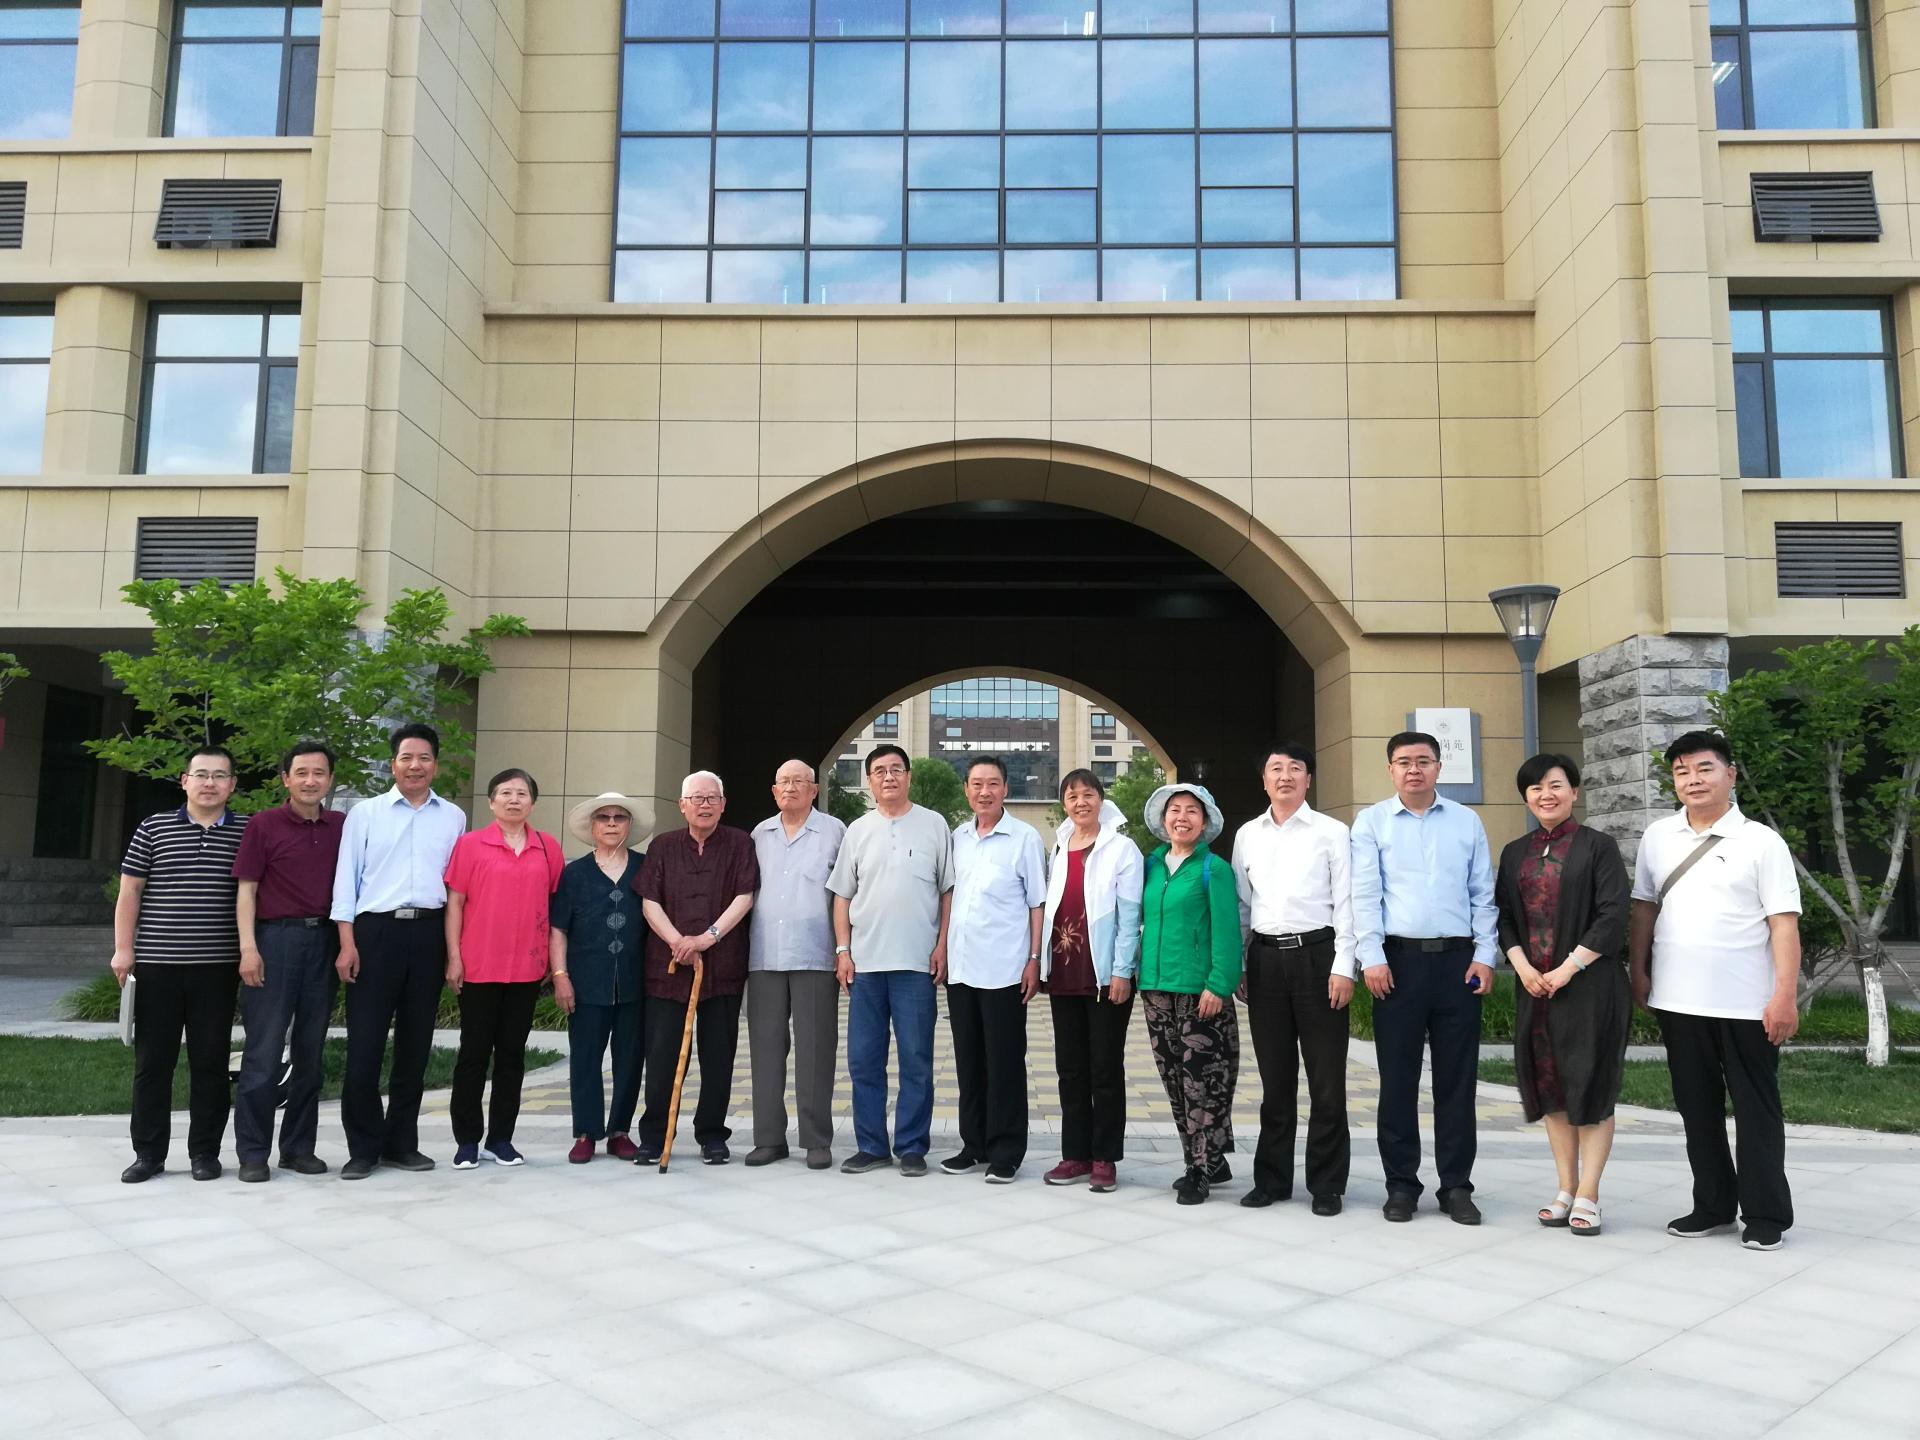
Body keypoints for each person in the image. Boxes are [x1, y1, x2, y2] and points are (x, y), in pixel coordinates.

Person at [1631, 730, 1802, 1251]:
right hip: (1678, 1000)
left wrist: (1784, 996)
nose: (1693, 780)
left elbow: (1783, 923)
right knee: (1696, 1108)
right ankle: (1712, 1205)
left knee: (1756, 1110)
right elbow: (1644, 907)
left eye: (1704, 768)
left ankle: (1766, 1214)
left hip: (1748, 1003)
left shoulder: (1761, 842)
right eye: (1681, 771)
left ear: (1730, 774)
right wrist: (1637, 969)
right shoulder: (1658, 836)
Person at [1351, 730, 1499, 1225]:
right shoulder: (1372, 822)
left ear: (1438, 766)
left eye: (1423, 761)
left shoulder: (1466, 821)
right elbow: (1365, 894)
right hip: (1397, 965)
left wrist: (1485, 955)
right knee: (1398, 1081)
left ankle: (1456, 1186)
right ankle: (1401, 1185)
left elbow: (1482, 893)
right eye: (1403, 762)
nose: (1413, 769)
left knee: (1457, 1082)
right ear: (1390, 769)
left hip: (1458, 964)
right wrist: (1372, 957)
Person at [1494, 753, 1631, 1236]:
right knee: (1551, 1086)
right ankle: (1565, 1188)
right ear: (1526, 798)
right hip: (1535, 987)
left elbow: (1613, 915)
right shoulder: (1515, 852)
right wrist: (1523, 967)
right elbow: (1503, 916)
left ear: (1574, 791)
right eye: (1535, 788)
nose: (1545, 795)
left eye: (1555, 785)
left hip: (1589, 985)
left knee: (1590, 1084)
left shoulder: (1598, 846)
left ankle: (1589, 1194)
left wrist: (1568, 968)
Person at [330, 722, 468, 1180]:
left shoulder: (453, 817)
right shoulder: (365, 814)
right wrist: (347, 943)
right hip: (375, 934)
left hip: (428, 934)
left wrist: (453, 952)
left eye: (424, 758)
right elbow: (345, 882)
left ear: (436, 766)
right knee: (365, 1045)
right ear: (393, 765)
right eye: (407, 757)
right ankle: (363, 1148)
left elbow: (456, 889)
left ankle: (401, 1143)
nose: (415, 765)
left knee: (415, 1045)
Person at [112, 746, 250, 1184]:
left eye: (220, 775)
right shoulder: (154, 828)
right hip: (158, 965)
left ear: (232, 784)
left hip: (218, 966)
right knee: (154, 1063)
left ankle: (205, 1153)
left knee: (210, 1063)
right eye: (201, 774)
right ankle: (148, 1154)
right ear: (185, 781)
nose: (210, 783)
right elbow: (130, 891)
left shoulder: (247, 831)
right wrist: (123, 949)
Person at [1231, 743, 1356, 1216]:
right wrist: (1242, 963)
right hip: (1265, 961)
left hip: (1319, 958)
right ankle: (1272, 1180)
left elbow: (1347, 902)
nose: (1285, 776)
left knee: (1327, 1080)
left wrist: (1344, 965)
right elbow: (1243, 905)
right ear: (1264, 780)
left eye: (1295, 769)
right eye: (1276, 769)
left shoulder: (1332, 832)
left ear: (1309, 779)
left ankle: (1327, 1184)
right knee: (1275, 1079)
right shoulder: (1248, 835)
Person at [828, 744, 954, 1177]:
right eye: (879, 771)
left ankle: (913, 1146)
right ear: (869, 781)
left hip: (917, 965)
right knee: (864, 1060)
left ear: (909, 776)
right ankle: (871, 1146)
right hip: (865, 965)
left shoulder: (934, 824)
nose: (888, 777)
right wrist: (843, 951)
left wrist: (942, 945)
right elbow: (842, 896)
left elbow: (947, 891)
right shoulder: (858, 830)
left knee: (916, 1060)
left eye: (896, 769)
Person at [231, 740, 347, 1183]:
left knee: (310, 1054)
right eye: (301, 772)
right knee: (263, 1054)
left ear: (330, 779)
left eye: (319, 773)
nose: (310, 780)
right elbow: (247, 890)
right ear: (286, 779)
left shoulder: (342, 826)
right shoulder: (263, 825)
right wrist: (248, 948)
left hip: (323, 943)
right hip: (274, 941)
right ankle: (253, 1153)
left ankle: (298, 1149)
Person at [635, 771, 759, 1166]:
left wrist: (707, 938)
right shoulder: (663, 846)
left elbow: (745, 895)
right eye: (697, 798)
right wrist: (678, 941)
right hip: (668, 967)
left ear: (723, 805)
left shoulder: (740, 843)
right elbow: (649, 901)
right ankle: (655, 1136)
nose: (705, 805)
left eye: (712, 798)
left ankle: (712, 1134)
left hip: (721, 965)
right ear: (682, 805)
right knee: (662, 1057)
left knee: (718, 1057)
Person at [444, 768, 565, 1169]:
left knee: (512, 1057)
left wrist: (553, 961)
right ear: (491, 801)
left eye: (522, 793)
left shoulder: (547, 847)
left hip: (526, 969)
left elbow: (555, 907)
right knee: (473, 1055)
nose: (514, 800)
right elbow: (455, 903)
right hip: (479, 965)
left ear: (533, 802)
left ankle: (501, 1139)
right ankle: (466, 1140)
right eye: (505, 793)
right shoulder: (470, 845)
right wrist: (454, 956)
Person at [941, 757, 1047, 1184]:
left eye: (993, 784)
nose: (984, 791)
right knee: (968, 1062)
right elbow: (948, 898)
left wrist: (1035, 960)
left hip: (1005, 969)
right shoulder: (957, 838)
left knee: (1004, 1063)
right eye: (977, 784)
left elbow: (1037, 903)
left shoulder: (1024, 838)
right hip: (961, 967)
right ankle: (974, 1145)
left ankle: (1005, 1151)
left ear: (1006, 789)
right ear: (966, 789)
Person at [1039, 768, 1143, 1194]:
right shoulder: (1060, 846)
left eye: (1087, 794)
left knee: (1104, 1068)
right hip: (1064, 973)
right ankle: (1075, 1154)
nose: (1080, 802)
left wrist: (1122, 970)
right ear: (1064, 803)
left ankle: (1104, 1157)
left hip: (1103, 976)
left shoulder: (1122, 848)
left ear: (1101, 799)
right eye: (1071, 796)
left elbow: (1129, 916)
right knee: (1070, 1069)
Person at [1138, 782, 1242, 1206]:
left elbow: (1228, 931)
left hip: (1199, 992)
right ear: (1164, 819)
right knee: (1175, 1082)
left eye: (1191, 811)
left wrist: (1218, 983)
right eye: (1175, 810)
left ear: (1205, 822)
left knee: (1201, 1083)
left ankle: (1198, 1169)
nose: (1182, 817)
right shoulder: (1151, 865)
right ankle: (1209, 1160)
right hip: (1155, 988)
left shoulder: (1214, 869)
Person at [746, 760, 846, 1170]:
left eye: (798, 781)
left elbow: (846, 893)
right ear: (774, 791)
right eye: (783, 782)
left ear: (814, 789)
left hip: (816, 954)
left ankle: (816, 1140)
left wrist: (844, 949)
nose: (790, 787)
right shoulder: (759, 834)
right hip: (764, 954)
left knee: (816, 1050)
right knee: (765, 1050)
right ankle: (769, 1139)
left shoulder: (835, 831)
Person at [550, 792, 653, 1164]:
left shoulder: (645, 868)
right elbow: (558, 929)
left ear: (629, 826)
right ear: (593, 826)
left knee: (630, 1060)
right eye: (604, 817)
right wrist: (560, 976)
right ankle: (586, 1132)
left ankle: (620, 1131)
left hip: (636, 983)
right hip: (586, 983)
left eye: (619, 817)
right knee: (585, 1059)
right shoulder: (574, 873)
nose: (611, 823)